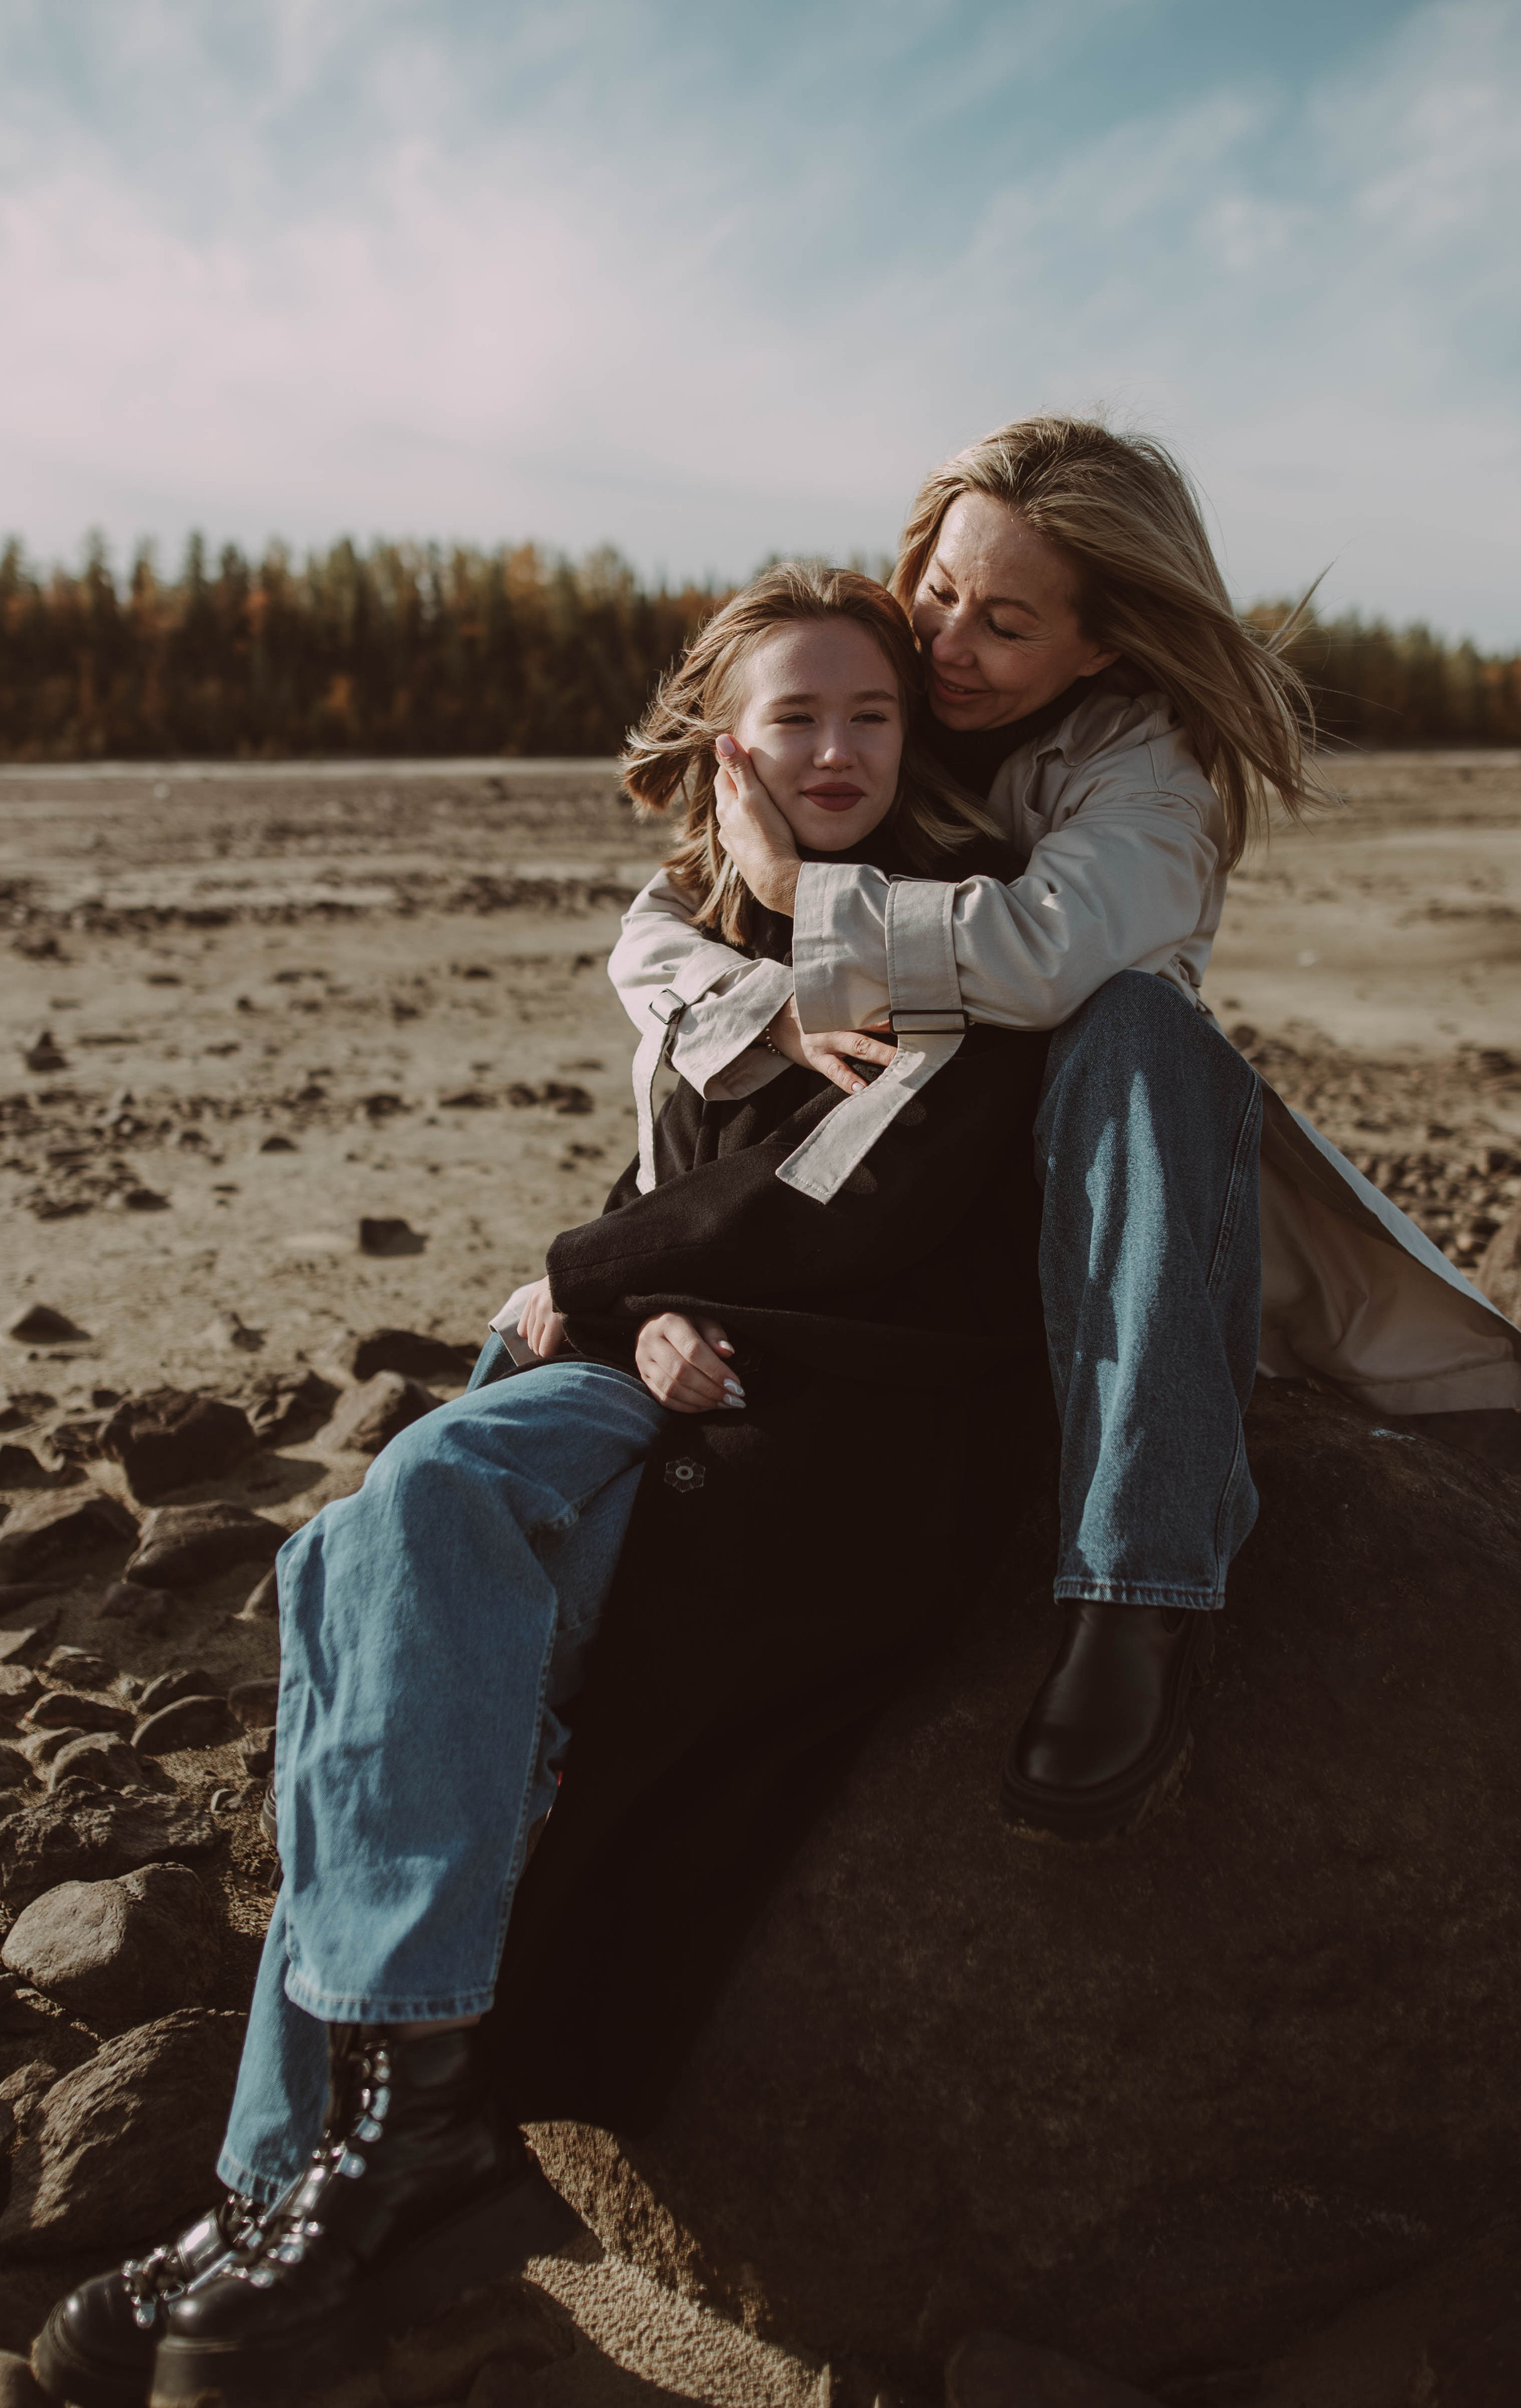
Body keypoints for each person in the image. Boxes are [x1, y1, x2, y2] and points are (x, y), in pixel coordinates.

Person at [33, 567, 1055, 2408]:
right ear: (726, 739)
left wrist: (611, 1279)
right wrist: (649, 1294)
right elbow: (727, 1167)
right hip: (668, 1357)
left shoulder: (933, 937)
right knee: (348, 1550)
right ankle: (279, 2179)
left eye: (873, 717)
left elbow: (873, 1202)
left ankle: (402, 2116)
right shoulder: (693, 936)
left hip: (817, 1410)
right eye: (798, 717)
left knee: (420, 1505)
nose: (839, 749)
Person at [605, 413, 1521, 1848]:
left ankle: (1139, 1594)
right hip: (875, 1203)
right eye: (935, 590)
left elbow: (1052, 955)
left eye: (1000, 623)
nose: (942, 643)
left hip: (1092, 1188)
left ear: (1102, 644)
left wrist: (813, 904)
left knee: (1131, 1022)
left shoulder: (1150, 770)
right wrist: (737, 1066)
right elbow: (672, 917)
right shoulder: (871, 697)